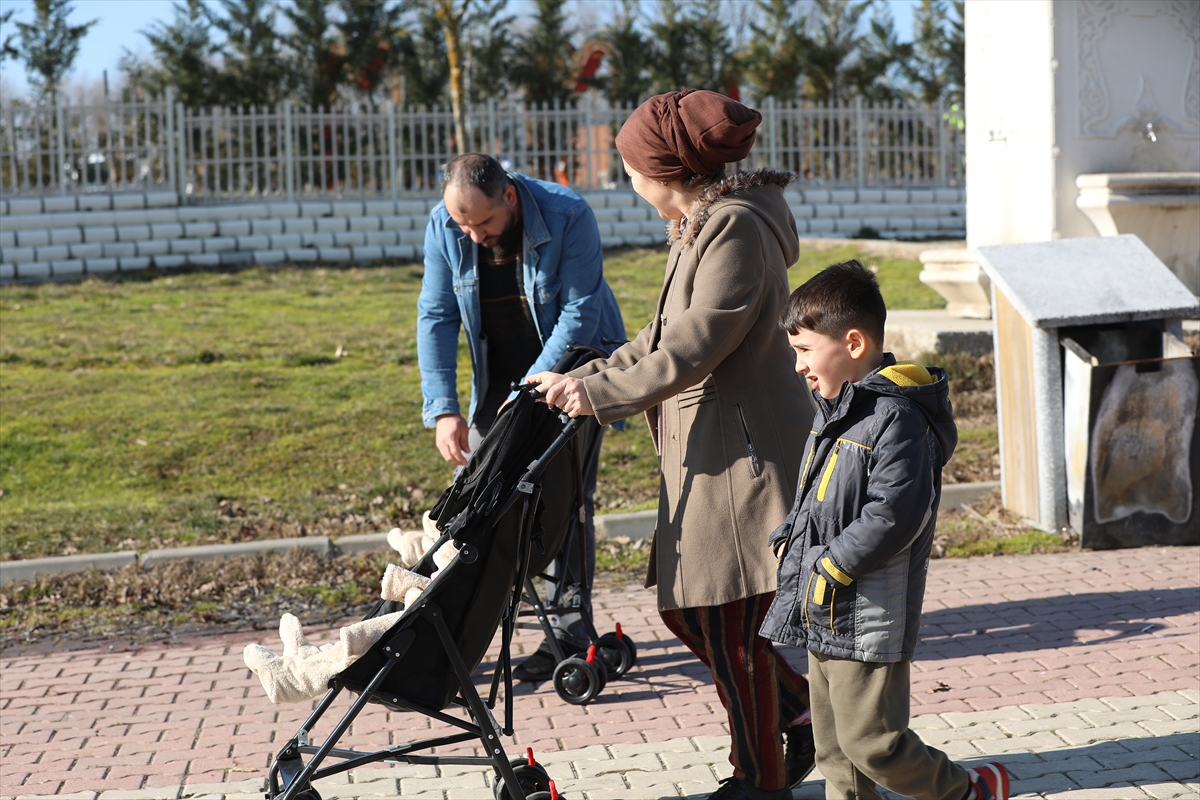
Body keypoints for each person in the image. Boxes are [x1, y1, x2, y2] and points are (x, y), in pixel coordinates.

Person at [529, 90, 816, 800]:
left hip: (744, 458)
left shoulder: (735, 230)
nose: (627, 182)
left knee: (728, 628)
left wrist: (596, 396)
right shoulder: (701, 225)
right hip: (711, 450)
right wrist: (582, 374)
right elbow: (659, 338)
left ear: (665, 169)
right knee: (691, 613)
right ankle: (799, 715)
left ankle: (760, 780)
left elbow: (696, 342)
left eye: (630, 168)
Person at [758, 261, 1012, 800]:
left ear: (853, 343)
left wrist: (832, 564)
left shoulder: (896, 418)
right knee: (833, 750)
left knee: (872, 742)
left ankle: (966, 792)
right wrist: (791, 538)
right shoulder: (838, 411)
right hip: (823, 601)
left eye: (805, 350)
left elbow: (894, 512)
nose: (798, 365)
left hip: (868, 607)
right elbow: (819, 496)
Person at [416, 153, 626, 681]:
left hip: (572, 372)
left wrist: (531, 388)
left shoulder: (566, 214)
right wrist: (444, 408)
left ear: (509, 197)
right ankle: (479, 630)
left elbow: (580, 313)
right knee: (491, 505)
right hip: (498, 381)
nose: (473, 235)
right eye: (462, 224)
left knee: (567, 500)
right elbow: (436, 316)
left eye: (482, 222)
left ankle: (573, 631)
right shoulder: (447, 226)